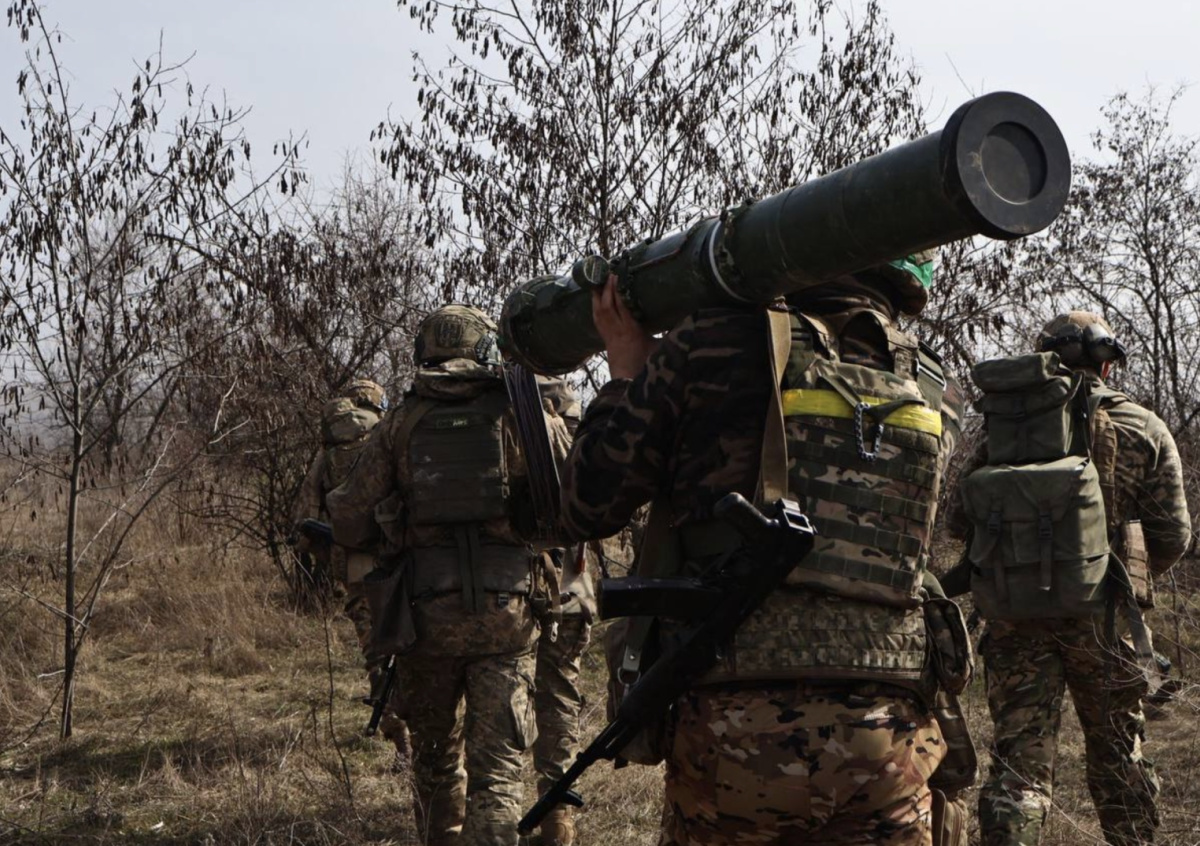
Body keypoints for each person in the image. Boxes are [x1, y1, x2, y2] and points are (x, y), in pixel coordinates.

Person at [560, 254, 968, 845]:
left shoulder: (712, 341)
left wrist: (627, 373)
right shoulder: (934, 385)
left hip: (733, 731)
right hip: (892, 732)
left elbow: (587, 505)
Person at [327, 304, 572, 846]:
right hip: (508, 617)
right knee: (498, 773)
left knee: (435, 765)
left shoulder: (400, 421)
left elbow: (348, 517)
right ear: (486, 348)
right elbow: (577, 493)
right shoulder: (523, 412)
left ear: (425, 351)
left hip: (425, 618)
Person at [952, 312, 1192, 846]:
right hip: (1106, 620)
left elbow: (958, 520)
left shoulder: (1007, 427)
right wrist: (1120, 578)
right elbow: (1174, 535)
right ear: (1106, 362)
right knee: (1118, 754)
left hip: (1015, 614)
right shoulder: (1143, 426)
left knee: (1019, 764)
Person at [291, 380, 412, 760]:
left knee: (377, 654)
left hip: (357, 572)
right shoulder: (391, 440)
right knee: (413, 651)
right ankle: (427, 735)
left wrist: (327, 554)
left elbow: (304, 521)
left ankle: (402, 742)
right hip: (404, 564)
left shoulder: (327, 456)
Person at [531, 377, 592, 846]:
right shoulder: (572, 410)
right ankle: (557, 821)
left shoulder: (507, 407)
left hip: (512, 583)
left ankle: (497, 817)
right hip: (570, 583)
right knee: (559, 699)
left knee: (499, 701)